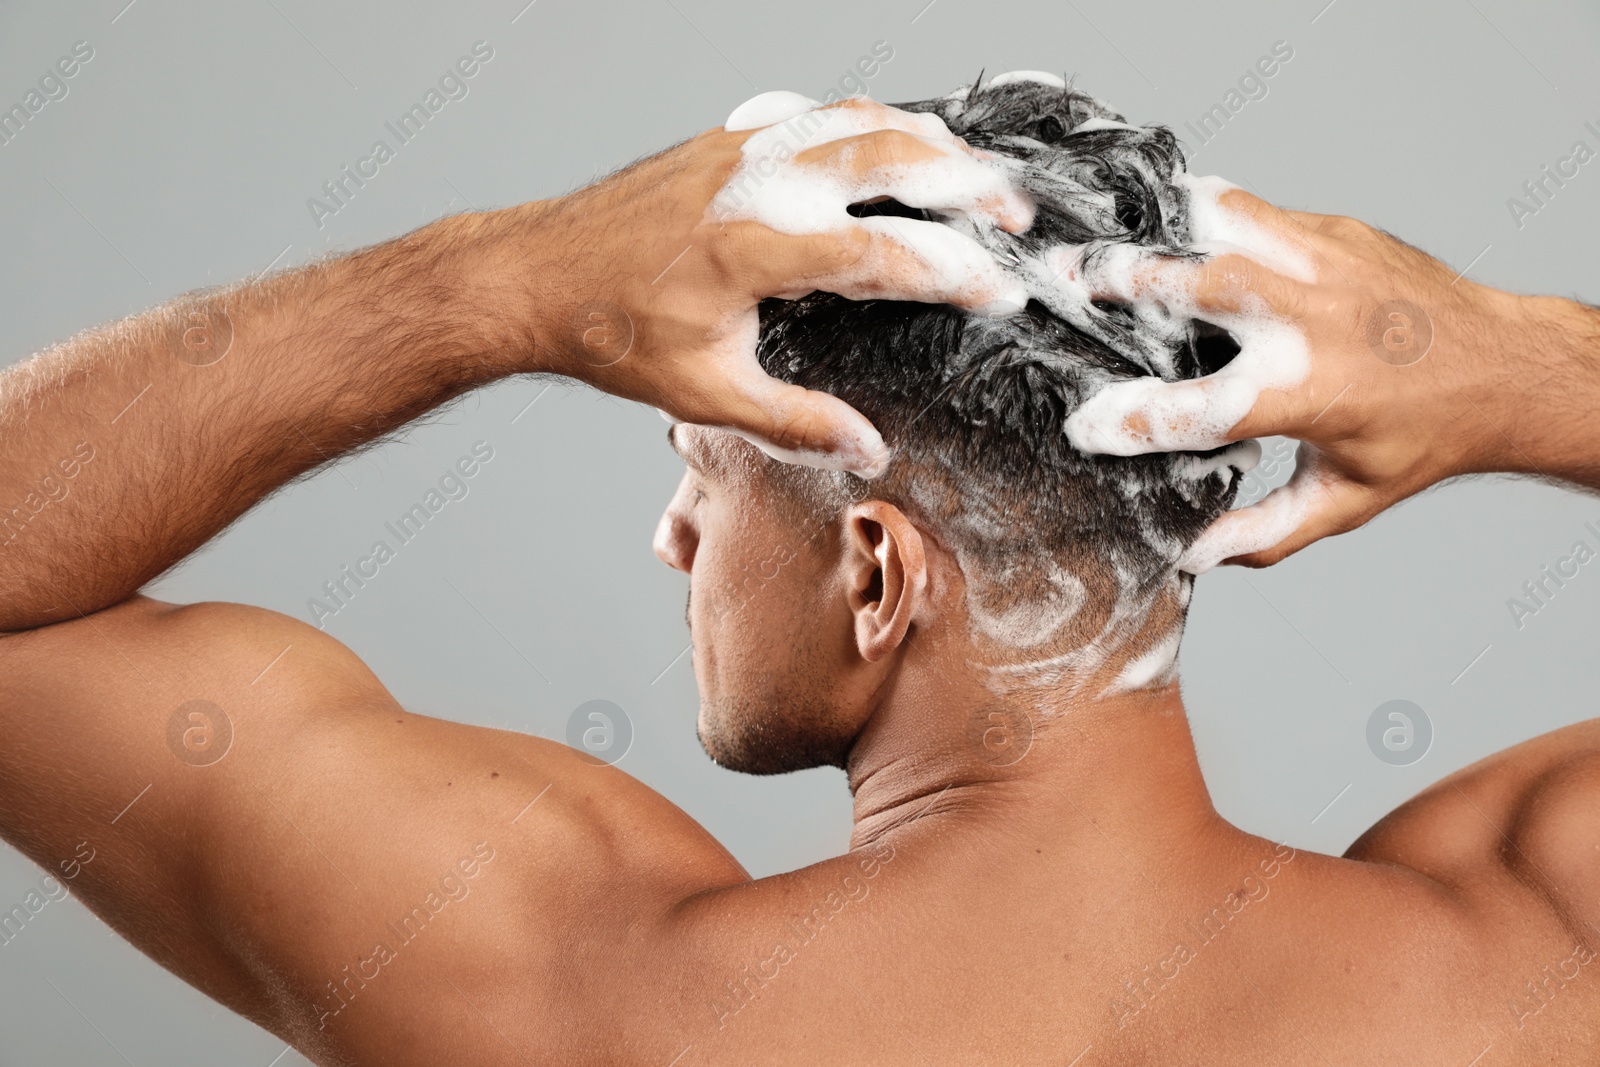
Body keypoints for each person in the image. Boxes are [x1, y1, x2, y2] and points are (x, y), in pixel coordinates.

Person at [0, 75, 1598, 1065]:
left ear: (876, 574)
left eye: (701, 479)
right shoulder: (1540, 937)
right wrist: (1522, 367)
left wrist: (490, 287)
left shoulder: (568, 996)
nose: (675, 540)